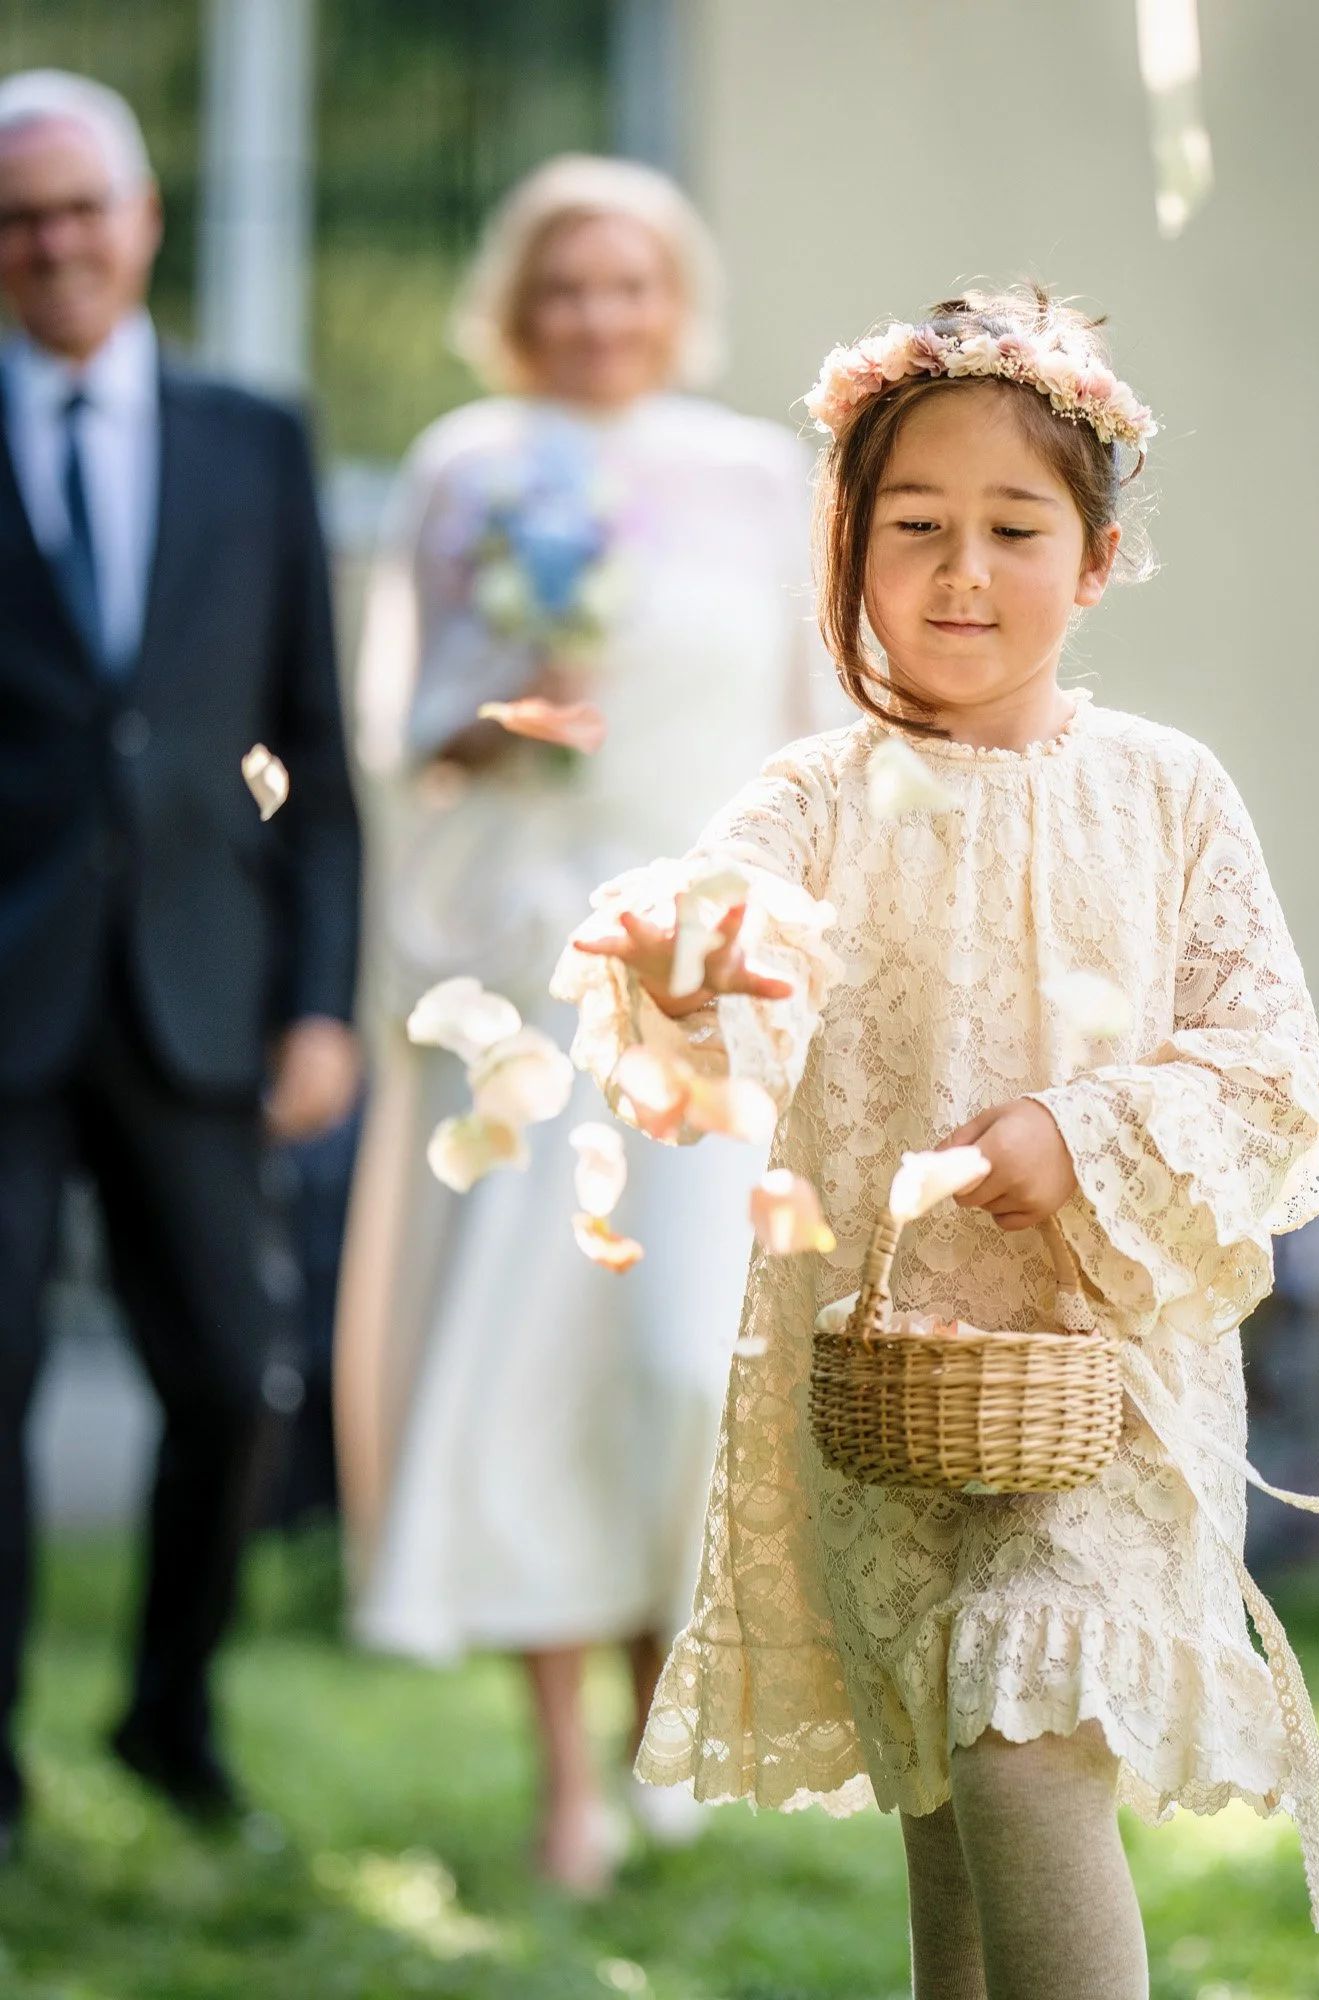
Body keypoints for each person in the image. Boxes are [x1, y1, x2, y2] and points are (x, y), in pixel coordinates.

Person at [552, 282, 1319, 1995]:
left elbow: (1270, 1075)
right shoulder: (810, 797)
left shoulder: (1173, 794)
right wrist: (679, 943)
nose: (964, 574)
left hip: (1109, 1383)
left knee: (1024, 1729)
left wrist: (1083, 1130)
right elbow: (720, 932)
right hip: (882, 1390)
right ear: (853, 549)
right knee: (952, 1798)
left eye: (1015, 529)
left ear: (1096, 561)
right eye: (918, 527)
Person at [336, 154, 834, 1894]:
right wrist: (507, 716)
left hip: (705, 974)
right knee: (525, 1361)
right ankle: (563, 1773)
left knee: (684, 1356)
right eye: (565, 288)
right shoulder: (465, 468)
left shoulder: (764, 476)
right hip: (531, 962)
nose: (596, 317)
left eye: (627, 284)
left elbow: (806, 741)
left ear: (673, 296)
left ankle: (664, 1709)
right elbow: (406, 734)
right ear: (518, 306)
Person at [0, 71, 362, 1857]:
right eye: (21, 216)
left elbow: (315, 745)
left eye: (84, 207)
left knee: (233, 1380)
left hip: (204, 991)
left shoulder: (255, 436)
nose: (56, 241)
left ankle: (168, 1718)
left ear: (143, 222)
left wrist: (320, 996)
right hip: (0, 1002)